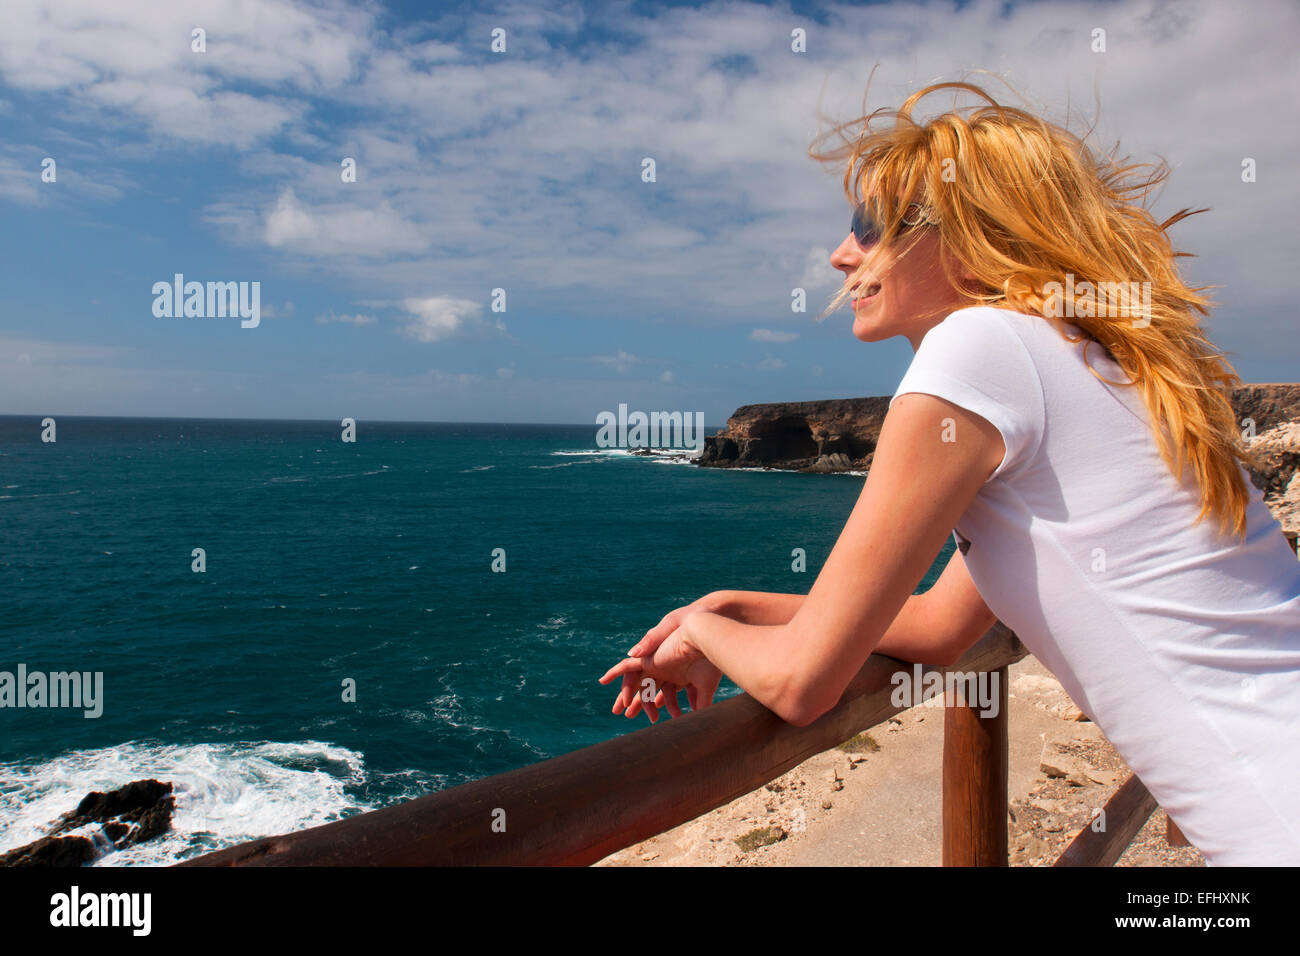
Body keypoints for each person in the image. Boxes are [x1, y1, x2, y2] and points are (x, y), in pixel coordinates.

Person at [598, 80, 1300, 865]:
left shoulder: (980, 348)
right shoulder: (1095, 363)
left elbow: (803, 686)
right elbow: (938, 628)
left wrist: (697, 631)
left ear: (967, 234)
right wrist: (731, 604)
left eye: (870, 227)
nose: (841, 255)